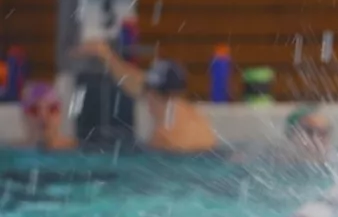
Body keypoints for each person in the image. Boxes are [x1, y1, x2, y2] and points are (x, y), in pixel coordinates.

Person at [73, 40, 217, 153]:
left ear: (152, 95)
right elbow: (135, 82)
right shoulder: (192, 114)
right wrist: (105, 54)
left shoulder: (164, 137)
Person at [17, 81, 76, 151]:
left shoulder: (78, 150)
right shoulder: (13, 152)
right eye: (34, 110)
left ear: (60, 114)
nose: (43, 117)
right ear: (24, 117)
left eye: (52, 109)